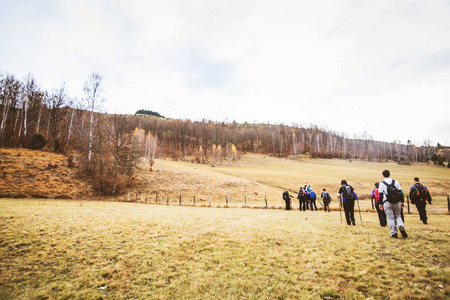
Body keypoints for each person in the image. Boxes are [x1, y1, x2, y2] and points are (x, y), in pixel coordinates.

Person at [379, 170, 407, 238]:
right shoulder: (395, 182)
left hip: (387, 202)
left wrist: (380, 203)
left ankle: (394, 233)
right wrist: (402, 201)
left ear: (383, 175)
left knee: (390, 218)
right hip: (397, 202)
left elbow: (380, 194)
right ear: (389, 174)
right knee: (398, 215)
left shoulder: (382, 183)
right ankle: (401, 226)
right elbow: (400, 192)